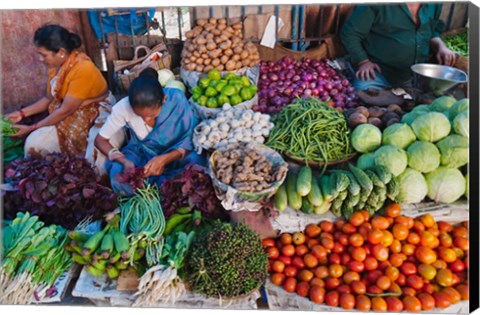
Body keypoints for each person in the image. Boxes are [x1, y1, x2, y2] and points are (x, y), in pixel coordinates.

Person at [5, 24, 123, 174]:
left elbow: (65, 110)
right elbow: (49, 98)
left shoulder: (83, 68)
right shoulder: (56, 66)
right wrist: (21, 114)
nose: (40, 59)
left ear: (60, 52)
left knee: (97, 162)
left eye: (43, 54)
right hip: (70, 111)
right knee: (33, 144)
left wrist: (31, 128)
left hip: (98, 111)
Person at [94, 69, 205, 195]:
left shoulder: (176, 99)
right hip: (143, 154)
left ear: (164, 99)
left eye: (152, 114)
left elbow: (190, 138)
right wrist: (124, 161)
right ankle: (165, 188)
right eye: (139, 115)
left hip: (176, 153)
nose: (146, 119)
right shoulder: (123, 107)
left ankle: (158, 188)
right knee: (118, 174)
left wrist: (164, 159)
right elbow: (100, 140)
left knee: (198, 161)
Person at [340, 3, 458, 91]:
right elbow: (349, 33)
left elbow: (431, 30)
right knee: (361, 94)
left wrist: (441, 46)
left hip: (415, 75)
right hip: (379, 72)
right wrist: (363, 61)